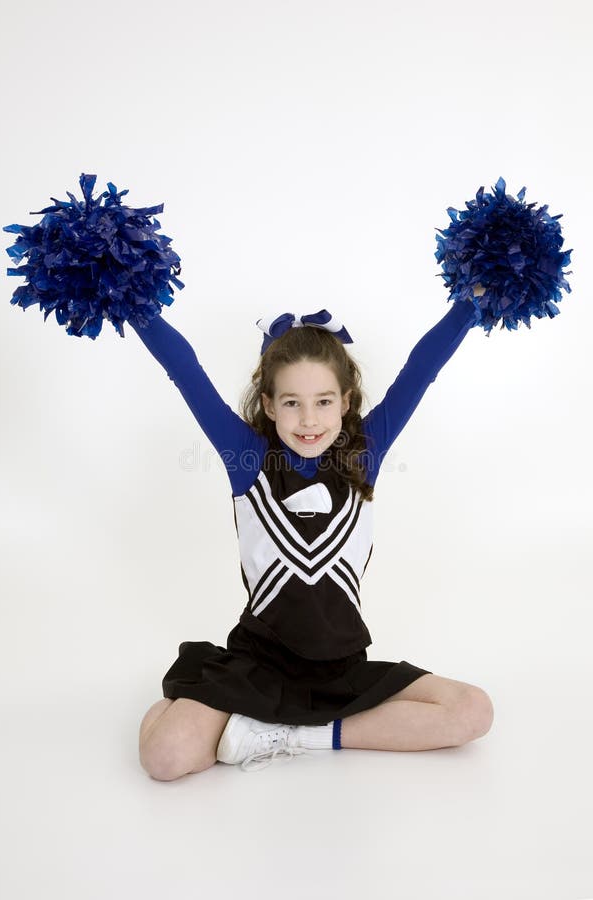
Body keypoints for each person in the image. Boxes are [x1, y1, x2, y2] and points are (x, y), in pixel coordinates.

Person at [133, 303, 494, 777]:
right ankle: (223, 717)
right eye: (291, 403)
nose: (308, 420)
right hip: (255, 667)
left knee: (473, 710)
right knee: (164, 757)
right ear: (267, 405)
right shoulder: (248, 460)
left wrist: (469, 304)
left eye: (324, 401)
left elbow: (421, 369)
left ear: (346, 402)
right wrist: (135, 304)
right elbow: (185, 371)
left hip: (340, 672)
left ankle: (294, 735)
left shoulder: (365, 454)